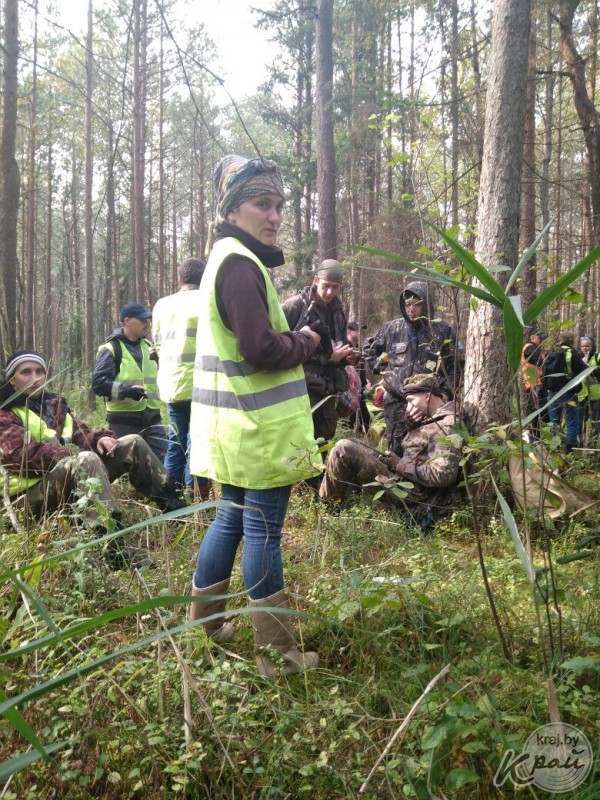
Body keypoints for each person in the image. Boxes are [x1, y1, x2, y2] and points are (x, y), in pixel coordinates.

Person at [188, 154, 322, 677]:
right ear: (233, 210)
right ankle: (279, 656)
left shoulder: (226, 259)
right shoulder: (240, 266)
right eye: (262, 204)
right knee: (263, 531)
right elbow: (260, 349)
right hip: (258, 432)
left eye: (279, 206)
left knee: (230, 520)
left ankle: (205, 627)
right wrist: (306, 341)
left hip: (233, 430)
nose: (274, 216)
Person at [0, 351, 184, 570]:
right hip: (26, 501)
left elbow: (80, 434)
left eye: (40, 372)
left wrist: (99, 439)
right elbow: (20, 457)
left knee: (132, 442)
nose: (35, 378)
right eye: (26, 372)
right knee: (85, 459)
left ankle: (176, 509)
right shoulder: (5, 411)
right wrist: (72, 454)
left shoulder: (53, 405)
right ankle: (112, 546)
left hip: (63, 486)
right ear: (12, 379)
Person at [319, 374, 462, 530]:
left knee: (343, 449)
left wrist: (400, 464)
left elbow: (442, 475)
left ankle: (327, 513)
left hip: (414, 494)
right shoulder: (430, 417)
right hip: (406, 482)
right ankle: (341, 508)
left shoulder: (448, 424)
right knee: (353, 444)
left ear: (427, 396)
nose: (408, 408)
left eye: (411, 401)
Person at [363, 281, 462, 453]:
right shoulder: (392, 329)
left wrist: (444, 395)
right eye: (407, 304)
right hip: (396, 402)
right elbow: (368, 349)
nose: (411, 309)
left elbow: (456, 367)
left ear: (427, 304)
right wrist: (382, 370)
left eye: (417, 304)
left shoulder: (443, 330)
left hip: (429, 402)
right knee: (396, 450)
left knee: (427, 450)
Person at [152, 257, 209, 497]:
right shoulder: (207, 301)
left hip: (172, 387)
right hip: (201, 386)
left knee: (176, 442)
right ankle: (194, 497)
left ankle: (170, 497)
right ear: (204, 278)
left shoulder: (162, 306)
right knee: (198, 443)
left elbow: (156, 345)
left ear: (180, 279)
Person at [282, 261, 356, 443]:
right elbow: (280, 347)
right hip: (300, 389)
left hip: (328, 390)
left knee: (324, 442)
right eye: (326, 286)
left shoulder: (338, 310)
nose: (330, 292)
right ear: (316, 280)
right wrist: (327, 357)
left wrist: (347, 358)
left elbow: (339, 343)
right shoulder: (294, 307)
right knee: (298, 444)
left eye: (335, 287)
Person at [92, 303, 167, 463]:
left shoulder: (148, 347)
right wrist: (127, 390)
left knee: (164, 463)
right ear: (126, 321)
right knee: (124, 467)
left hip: (153, 418)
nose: (147, 324)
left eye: (148, 320)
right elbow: (99, 384)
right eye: (142, 320)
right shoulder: (111, 349)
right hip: (124, 421)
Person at [542, 331, 587, 450]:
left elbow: (543, 371)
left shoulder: (552, 353)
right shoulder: (573, 354)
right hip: (568, 392)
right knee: (572, 419)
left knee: (554, 421)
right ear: (572, 340)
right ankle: (570, 446)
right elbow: (585, 370)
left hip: (552, 393)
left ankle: (554, 447)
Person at [521, 329, 548, 435]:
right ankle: (536, 435)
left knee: (539, 410)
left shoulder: (535, 348)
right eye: (541, 339)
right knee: (538, 411)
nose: (542, 341)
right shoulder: (529, 348)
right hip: (535, 384)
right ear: (534, 338)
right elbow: (539, 362)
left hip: (537, 383)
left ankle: (538, 434)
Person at [346, 321, 371, 433]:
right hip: (348, 389)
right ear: (349, 332)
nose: (361, 333)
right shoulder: (345, 347)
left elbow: (361, 370)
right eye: (358, 330)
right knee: (349, 419)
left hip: (360, 390)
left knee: (366, 420)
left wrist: (365, 382)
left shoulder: (360, 348)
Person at [577, 335, 600, 440]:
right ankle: (581, 439)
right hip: (582, 394)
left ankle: (594, 439)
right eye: (583, 346)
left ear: (592, 346)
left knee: (595, 419)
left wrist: (589, 369)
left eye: (587, 346)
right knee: (581, 418)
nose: (585, 348)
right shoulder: (578, 358)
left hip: (596, 395)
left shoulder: (597, 357)